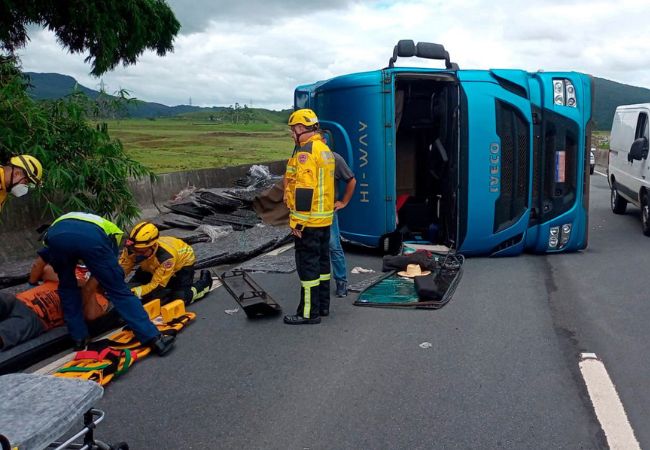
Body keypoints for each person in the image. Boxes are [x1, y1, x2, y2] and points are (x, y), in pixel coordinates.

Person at [39, 212, 174, 355]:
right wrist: (107, 283)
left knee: (67, 288)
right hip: (92, 240)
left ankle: (79, 339)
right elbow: (112, 270)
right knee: (119, 292)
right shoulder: (112, 230)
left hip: (57, 241)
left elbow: (47, 257)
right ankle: (155, 340)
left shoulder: (56, 227)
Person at [283, 108, 335, 325]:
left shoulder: (306, 152)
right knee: (322, 265)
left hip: (309, 222)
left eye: (292, 130)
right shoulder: (324, 149)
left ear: (300, 128)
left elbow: (305, 189)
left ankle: (308, 313)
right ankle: (322, 306)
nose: (291, 134)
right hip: (324, 220)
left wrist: (298, 222)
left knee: (308, 268)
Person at [0, 267, 109, 351]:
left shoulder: (99, 298)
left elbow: (91, 316)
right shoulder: (72, 275)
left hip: (36, 318)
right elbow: (46, 270)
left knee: (8, 332)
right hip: (18, 300)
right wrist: (77, 281)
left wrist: (89, 288)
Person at [119, 221, 213, 305]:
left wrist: (134, 292)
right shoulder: (131, 249)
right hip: (151, 265)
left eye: (141, 251)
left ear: (153, 245)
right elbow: (121, 269)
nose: (136, 253)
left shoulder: (166, 257)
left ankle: (204, 283)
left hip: (182, 263)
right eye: (135, 249)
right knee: (132, 286)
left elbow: (157, 285)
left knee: (180, 297)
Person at [330, 152, 357, 297]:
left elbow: (351, 180)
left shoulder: (334, 158)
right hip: (309, 212)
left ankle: (341, 282)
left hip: (327, 210)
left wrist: (344, 202)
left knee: (333, 245)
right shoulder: (302, 156)